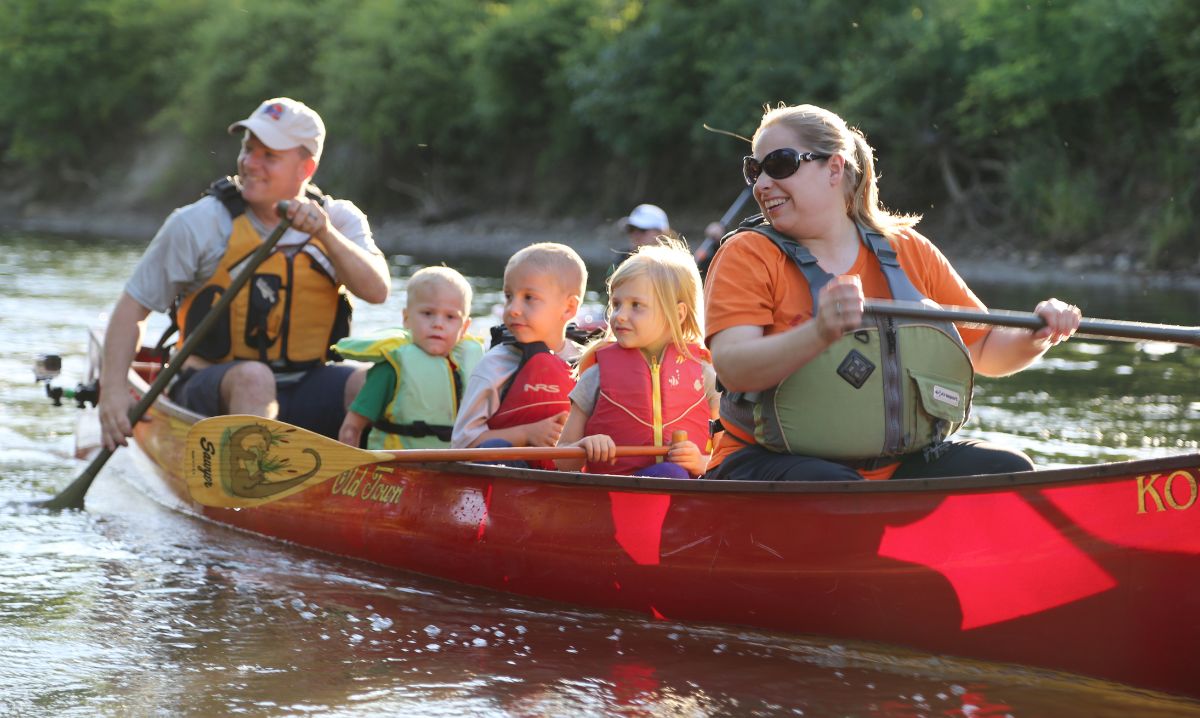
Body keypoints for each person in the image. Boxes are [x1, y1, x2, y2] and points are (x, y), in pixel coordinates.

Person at [704, 103, 1081, 482]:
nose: (762, 184)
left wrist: (1038, 333)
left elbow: (984, 351)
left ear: (834, 168)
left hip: (891, 469)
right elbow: (734, 369)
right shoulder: (746, 254)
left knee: (1008, 469)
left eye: (779, 164)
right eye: (754, 171)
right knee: (837, 487)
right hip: (761, 459)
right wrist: (819, 331)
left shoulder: (907, 249)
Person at [97, 97, 391, 450]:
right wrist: (112, 392)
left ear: (306, 168)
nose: (250, 164)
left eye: (269, 156)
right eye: (247, 150)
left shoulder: (339, 221)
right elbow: (133, 307)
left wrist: (325, 235)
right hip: (207, 389)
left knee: (373, 383)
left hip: (306, 383)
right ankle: (251, 486)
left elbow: (377, 291)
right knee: (254, 378)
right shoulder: (199, 223)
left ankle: (374, 489)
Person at [556, 238, 719, 478]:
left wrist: (702, 462)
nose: (620, 315)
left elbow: (730, 454)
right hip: (615, 496)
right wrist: (584, 446)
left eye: (636, 306)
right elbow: (562, 460)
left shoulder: (704, 374)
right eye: (616, 304)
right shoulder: (596, 376)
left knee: (672, 473)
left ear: (678, 313)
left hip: (684, 499)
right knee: (671, 474)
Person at [450, 243, 588, 468]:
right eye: (508, 296)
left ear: (569, 308)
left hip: (565, 484)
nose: (512, 308)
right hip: (504, 483)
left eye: (529, 297)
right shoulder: (495, 365)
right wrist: (526, 434)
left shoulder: (588, 364)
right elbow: (462, 445)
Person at [333, 266, 483, 450]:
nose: (438, 324)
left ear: (465, 328)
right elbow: (352, 427)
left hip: (451, 470)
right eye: (427, 313)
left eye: (450, 317)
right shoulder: (390, 369)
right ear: (406, 318)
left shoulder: (474, 369)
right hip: (394, 470)